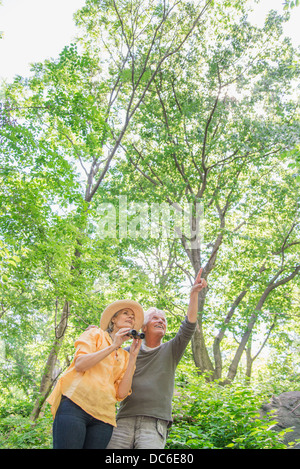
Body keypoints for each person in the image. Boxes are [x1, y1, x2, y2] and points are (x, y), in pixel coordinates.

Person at [106, 268, 207, 449]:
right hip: (123, 421)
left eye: (164, 320)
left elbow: (189, 326)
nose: (161, 321)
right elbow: (105, 364)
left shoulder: (171, 350)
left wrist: (194, 294)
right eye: (155, 318)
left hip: (154, 424)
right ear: (143, 326)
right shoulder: (126, 352)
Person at [47, 299, 144, 449]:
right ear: (113, 319)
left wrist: (133, 357)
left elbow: (122, 392)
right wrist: (113, 346)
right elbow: (80, 364)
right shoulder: (95, 334)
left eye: (133, 316)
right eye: (126, 313)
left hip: (104, 419)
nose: (131, 317)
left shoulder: (125, 356)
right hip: (75, 406)